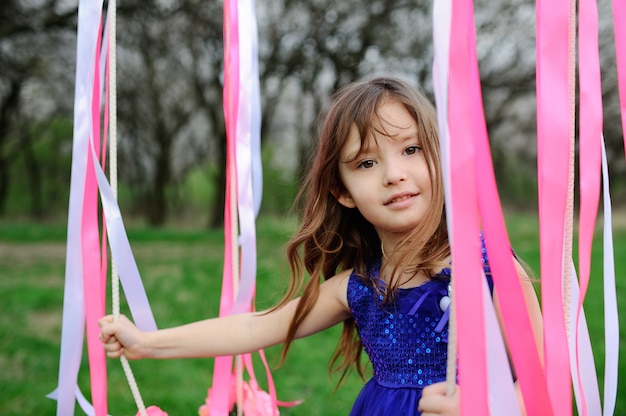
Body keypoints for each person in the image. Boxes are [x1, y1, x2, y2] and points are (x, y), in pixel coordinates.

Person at [99, 76, 543, 415]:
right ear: (343, 191)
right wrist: (147, 342)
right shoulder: (358, 288)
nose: (393, 174)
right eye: (367, 162)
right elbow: (256, 327)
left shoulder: (489, 269)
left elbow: (546, 388)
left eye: (410, 150)